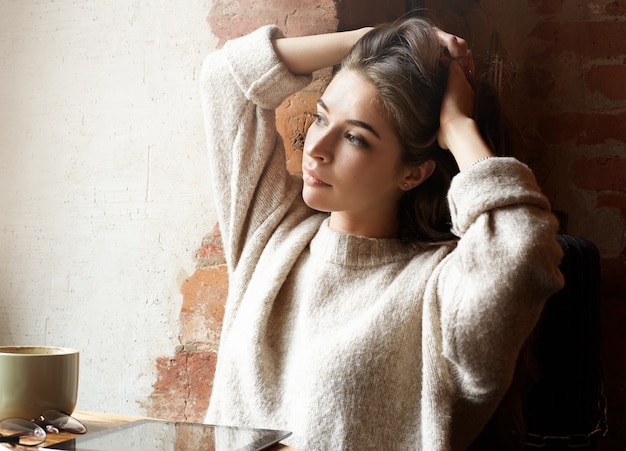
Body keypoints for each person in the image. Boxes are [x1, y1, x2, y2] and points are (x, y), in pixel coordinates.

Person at [199, 16, 564, 450]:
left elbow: (521, 252)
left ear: (413, 172)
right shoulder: (273, 233)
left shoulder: (436, 289)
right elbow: (226, 77)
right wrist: (370, 41)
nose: (315, 148)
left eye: (354, 137)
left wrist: (457, 126)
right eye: (320, 118)